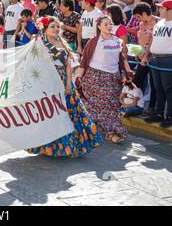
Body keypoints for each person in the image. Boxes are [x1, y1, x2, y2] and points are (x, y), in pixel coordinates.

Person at [27, 16, 102, 157]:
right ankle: (47, 146)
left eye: (57, 27)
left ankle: (71, 146)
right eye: (52, 27)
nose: (56, 29)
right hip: (46, 81)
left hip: (62, 80)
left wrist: (68, 83)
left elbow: (67, 65)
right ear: (45, 29)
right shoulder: (38, 43)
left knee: (68, 112)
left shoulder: (61, 43)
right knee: (48, 113)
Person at [77, 15, 133, 144]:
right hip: (95, 78)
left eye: (110, 23)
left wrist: (128, 72)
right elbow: (85, 59)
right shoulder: (94, 41)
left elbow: (122, 58)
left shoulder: (117, 41)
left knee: (112, 106)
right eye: (106, 24)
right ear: (99, 27)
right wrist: (79, 77)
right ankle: (96, 130)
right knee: (96, 106)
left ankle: (111, 131)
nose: (109, 26)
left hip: (113, 78)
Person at [142, 0, 172, 127]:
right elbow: (152, 41)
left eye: (161, 8)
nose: (158, 10)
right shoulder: (159, 23)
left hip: (169, 59)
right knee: (158, 88)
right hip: (156, 59)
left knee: (168, 88)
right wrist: (146, 56)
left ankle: (171, 116)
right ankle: (159, 113)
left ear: (169, 10)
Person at [132, 3, 160, 118]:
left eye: (138, 16)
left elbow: (152, 42)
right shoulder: (142, 24)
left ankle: (152, 108)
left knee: (154, 84)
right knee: (137, 80)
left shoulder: (158, 22)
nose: (138, 20)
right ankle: (137, 104)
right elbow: (141, 41)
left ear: (144, 13)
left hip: (153, 57)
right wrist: (137, 52)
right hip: (142, 56)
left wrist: (145, 56)